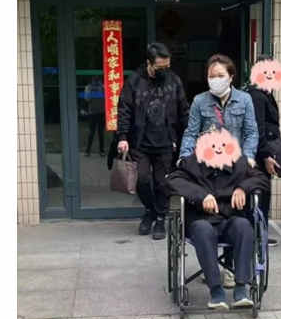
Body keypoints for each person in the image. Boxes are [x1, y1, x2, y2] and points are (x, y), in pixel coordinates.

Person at [177, 53, 259, 286]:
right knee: (209, 214)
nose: (215, 80)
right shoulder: (200, 101)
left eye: (220, 75)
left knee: (236, 211)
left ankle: (231, 267)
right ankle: (211, 265)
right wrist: (184, 157)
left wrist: (249, 158)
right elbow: (191, 132)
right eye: (211, 76)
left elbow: (251, 132)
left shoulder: (244, 100)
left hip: (236, 167)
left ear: (231, 77)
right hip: (209, 166)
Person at [167, 127, 270, 310]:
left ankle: (241, 290)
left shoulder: (239, 162)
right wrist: (202, 196)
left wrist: (243, 188)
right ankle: (216, 292)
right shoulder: (192, 163)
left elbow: (262, 179)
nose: (218, 149)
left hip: (230, 220)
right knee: (203, 230)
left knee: (244, 226)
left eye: (223, 144)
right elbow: (172, 181)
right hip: (202, 220)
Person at [116, 42, 189, 240]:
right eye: (160, 67)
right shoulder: (134, 81)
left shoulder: (174, 81)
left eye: (167, 66)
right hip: (140, 141)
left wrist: (189, 136)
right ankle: (150, 210)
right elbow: (124, 109)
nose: (164, 71)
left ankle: (160, 218)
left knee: (162, 183)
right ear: (149, 63)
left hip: (166, 142)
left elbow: (183, 110)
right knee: (142, 179)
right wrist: (122, 136)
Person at [246, 55, 281, 247]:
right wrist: (265, 156)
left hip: (262, 152)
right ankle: (257, 236)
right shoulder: (256, 95)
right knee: (260, 195)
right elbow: (258, 129)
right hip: (258, 155)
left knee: (263, 194)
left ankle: (259, 234)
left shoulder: (264, 92)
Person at [84, 76, 105, 157]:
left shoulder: (103, 87)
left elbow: (106, 97)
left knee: (100, 132)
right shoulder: (88, 87)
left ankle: (101, 151)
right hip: (93, 112)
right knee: (91, 132)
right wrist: (91, 91)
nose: (96, 81)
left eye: (97, 79)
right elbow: (87, 99)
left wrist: (101, 89)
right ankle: (88, 151)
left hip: (101, 112)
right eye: (94, 79)